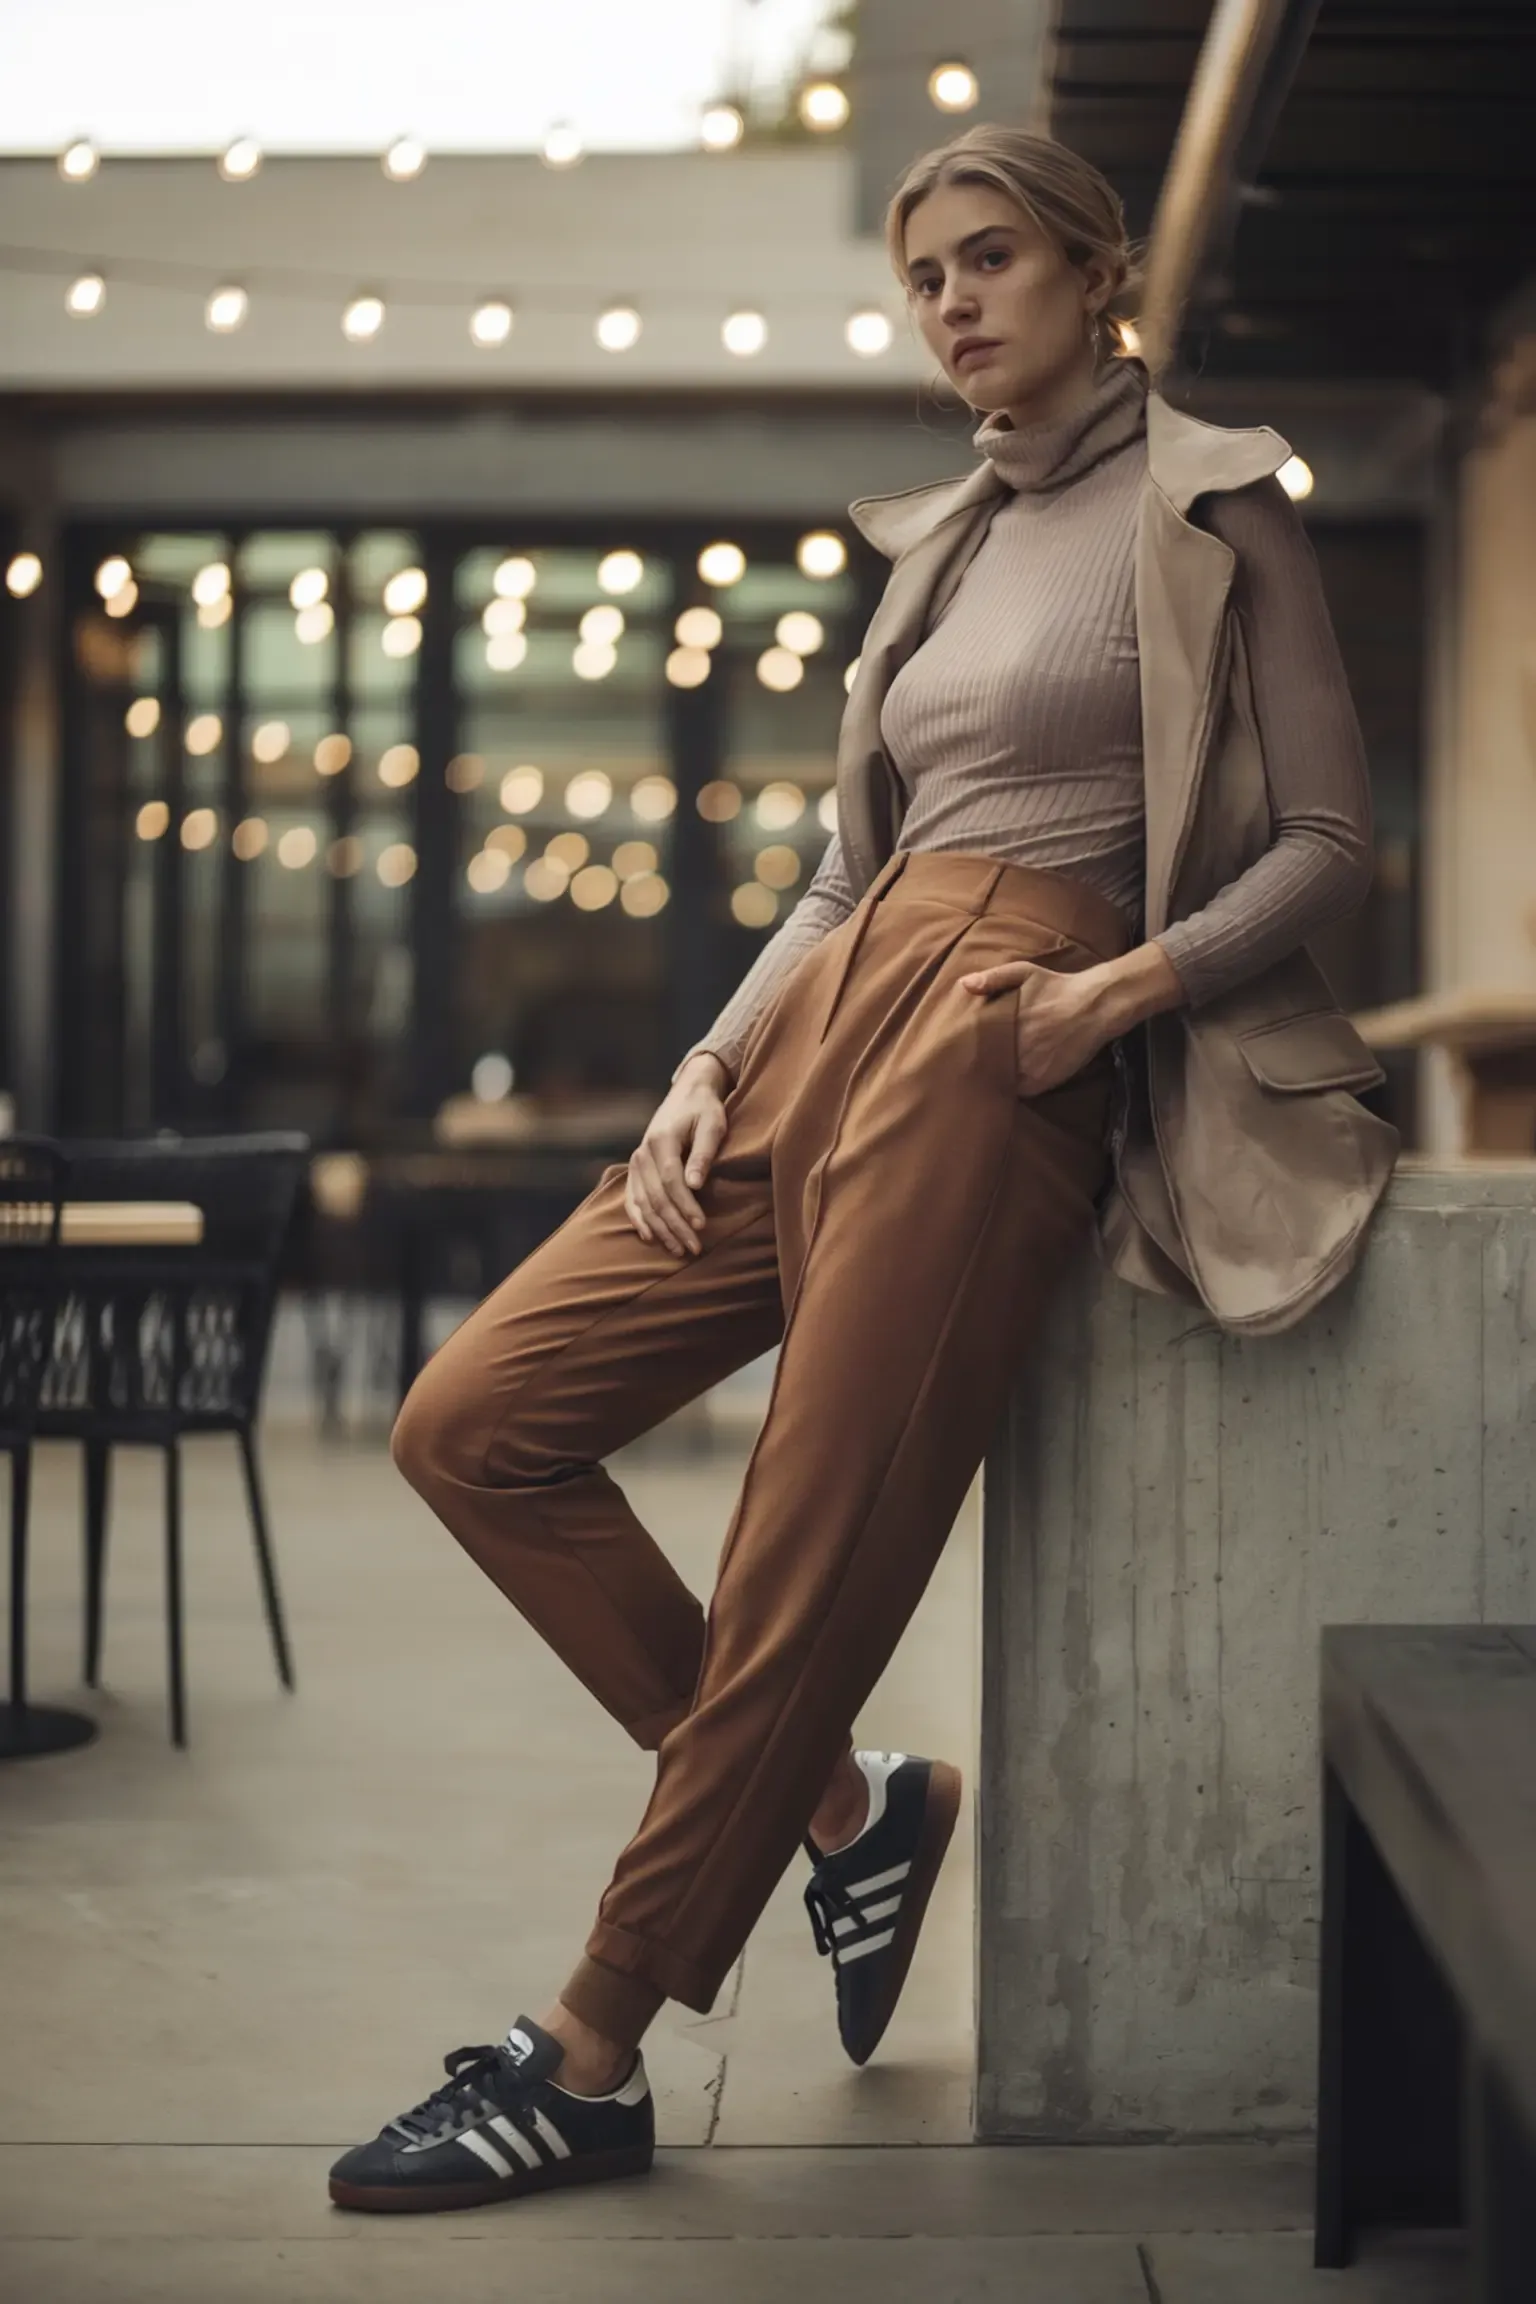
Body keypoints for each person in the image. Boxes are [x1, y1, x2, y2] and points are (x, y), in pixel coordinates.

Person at [328, 124, 1395, 2214]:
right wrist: (706, 1066)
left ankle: (588, 2054)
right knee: (475, 1422)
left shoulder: (1218, 504)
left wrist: (1118, 999)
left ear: (1097, 270)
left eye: (994, 259)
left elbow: (1329, 849)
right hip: (834, 1016)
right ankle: (849, 1808)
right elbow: (847, 861)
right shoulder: (947, 545)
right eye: (927, 277)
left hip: (1017, 1034)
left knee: (803, 1551)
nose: (956, 303)